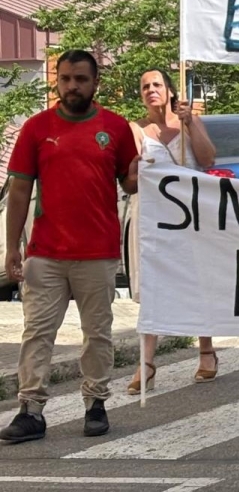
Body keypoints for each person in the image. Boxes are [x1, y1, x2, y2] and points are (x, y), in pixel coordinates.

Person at [1, 50, 140, 443]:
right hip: (45, 253)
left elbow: (129, 183)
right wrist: (12, 247)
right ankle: (30, 411)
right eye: (65, 79)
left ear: (95, 83)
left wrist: (139, 173)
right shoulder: (36, 128)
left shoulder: (115, 127)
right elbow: (19, 189)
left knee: (97, 333)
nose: (72, 86)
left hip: (97, 252)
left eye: (80, 79)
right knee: (37, 333)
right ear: (57, 81)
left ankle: (95, 404)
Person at [126, 69, 218, 394]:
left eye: (156, 84)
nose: (151, 90)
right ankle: (146, 363)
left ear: (169, 90)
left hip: (190, 216)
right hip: (154, 218)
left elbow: (207, 159)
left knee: (197, 281)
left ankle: (206, 350)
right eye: (145, 86)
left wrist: (190, 123)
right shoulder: (136, 129)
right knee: (154, 286)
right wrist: (137, 171)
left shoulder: (189, 122)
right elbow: (129, 179)